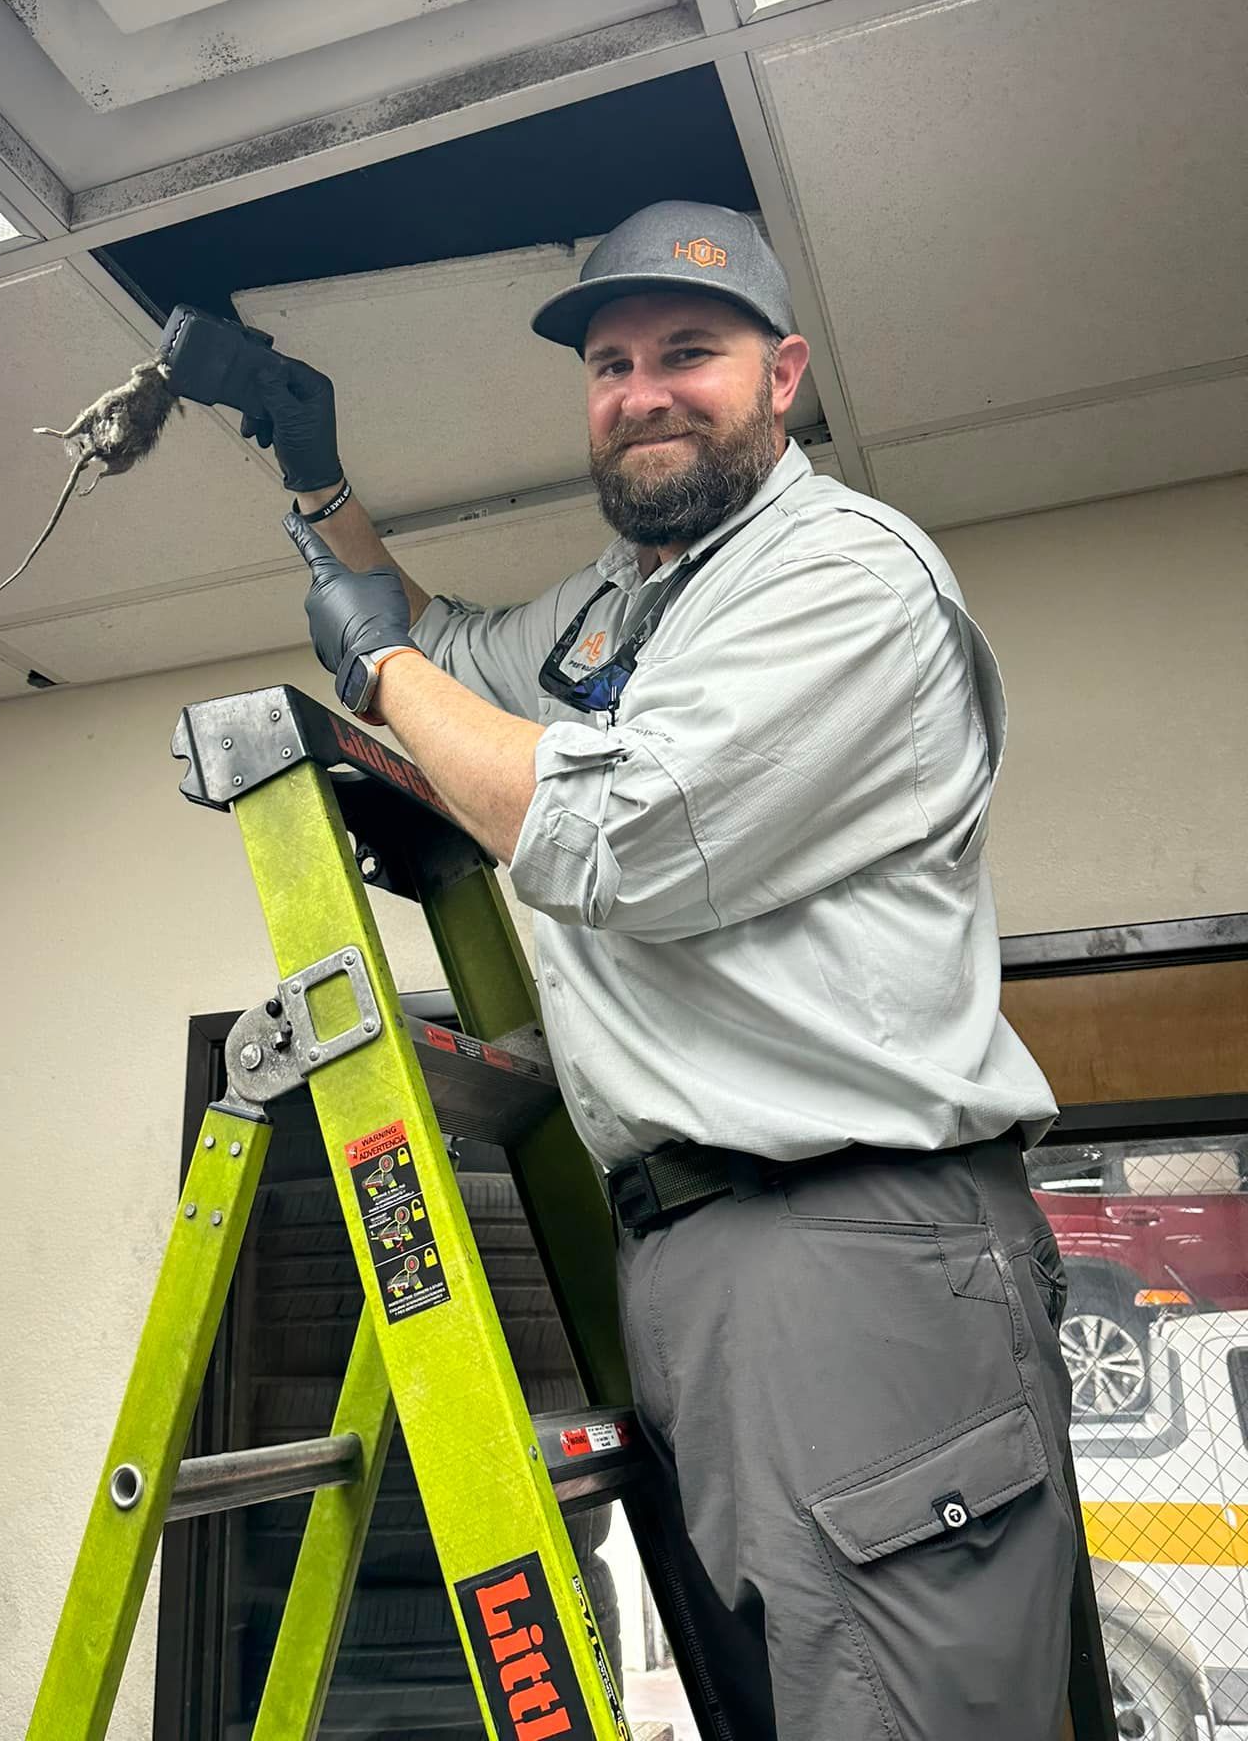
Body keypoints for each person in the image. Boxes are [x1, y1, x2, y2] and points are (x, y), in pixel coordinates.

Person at [192, 200, 1078, 1739]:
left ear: (784, 374)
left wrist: (373, 668)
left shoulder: (841, 575)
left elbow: (603, 837)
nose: (643, 390)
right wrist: (313, 477)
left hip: (848, 1239)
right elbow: (449, 653)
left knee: (894, 1707)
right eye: (611, 363)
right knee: (800, 1690)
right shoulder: (629, 603)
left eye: (689, 352)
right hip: (696, 1260)